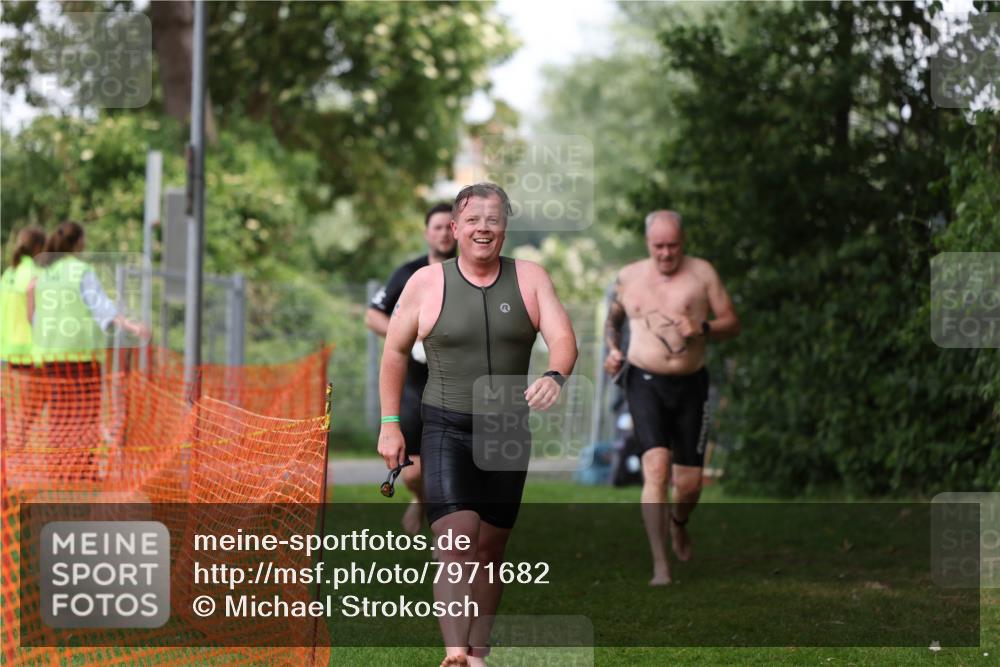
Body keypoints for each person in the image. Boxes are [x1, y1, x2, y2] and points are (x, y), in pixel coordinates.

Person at [377, 183, 577, 667]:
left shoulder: (530, 278)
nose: (483, 229)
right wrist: (390, 423)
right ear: (455, 228)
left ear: (504, 227)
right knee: (455, 541)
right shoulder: (426, 283)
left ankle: (479, 654)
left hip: (507, 429)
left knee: (489, 550)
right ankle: (454, 653)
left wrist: (555, 374)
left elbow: (563, 338)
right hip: (445, 426)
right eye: (472, 220)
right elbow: (394, 351)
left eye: (493, 220)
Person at [604, 210, 740, 586]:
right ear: (648, 244)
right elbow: (614, 321)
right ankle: (660, 564)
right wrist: (613, 351)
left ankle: (679, 523)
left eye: (673, 246)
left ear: (684, 242)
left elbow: (732, 322)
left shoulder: (702, 273)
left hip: (690, 384)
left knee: (690, 483)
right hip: (643, 381)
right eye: (659, 246)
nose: (666, 254)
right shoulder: (629, 276)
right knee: (656, 468)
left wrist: (704, 327)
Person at [366, 202, 457, 534]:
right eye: (438, 227)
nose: (444, 233)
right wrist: (410, 339)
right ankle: (420, 500)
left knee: (453, 468)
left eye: (450, 226)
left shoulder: (470, 273)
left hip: (456, 389)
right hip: (414, 388)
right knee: (414, 472)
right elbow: (372, 315)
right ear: (426, 233)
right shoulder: (409, 274)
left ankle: (445, 534)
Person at [27, 221, 149, 462]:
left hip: (51, 355)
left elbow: (36, 316)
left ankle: (60, 464)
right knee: (84, 412)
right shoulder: (81, 271)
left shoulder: (46, 273)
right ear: (79, 242)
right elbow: (101, 307)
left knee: (59, 413)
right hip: (81, 355)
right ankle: (81, 466)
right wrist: (133, 326)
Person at [1, 227, 46, 366]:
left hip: (5, 348)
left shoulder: (8, 273)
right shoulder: (36, 273)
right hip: (27, 350)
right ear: (38, 247)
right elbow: (37, 314)